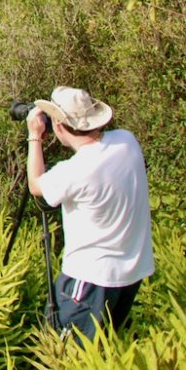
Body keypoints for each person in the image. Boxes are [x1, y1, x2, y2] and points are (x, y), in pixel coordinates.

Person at [25, 86, 155, 343]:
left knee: (64, 355)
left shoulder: (74, 171)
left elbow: (36, 185)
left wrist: (34, 136)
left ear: (59, 126)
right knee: (103, 350)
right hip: (131, 275)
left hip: (88, 282)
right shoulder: (127, 141)